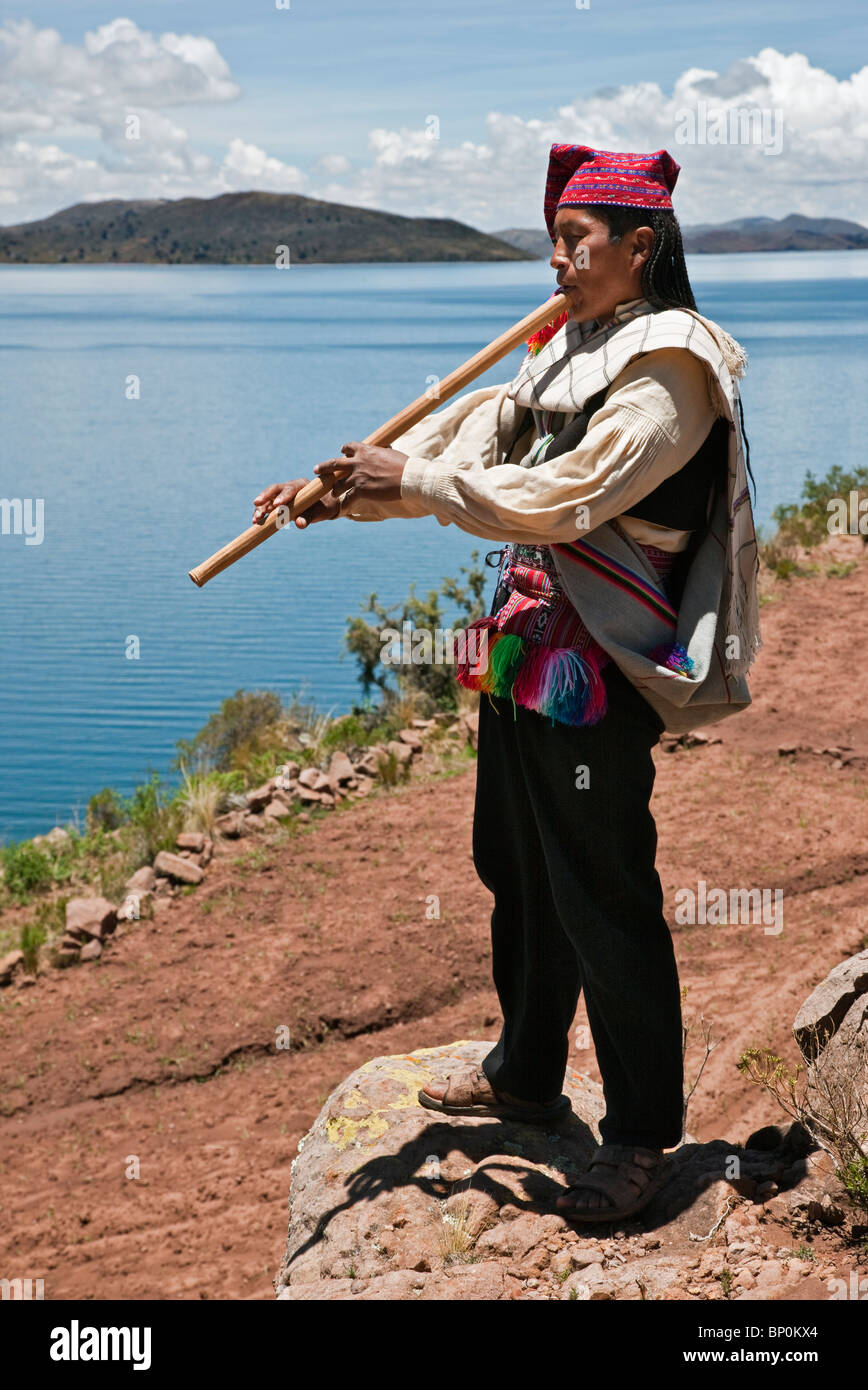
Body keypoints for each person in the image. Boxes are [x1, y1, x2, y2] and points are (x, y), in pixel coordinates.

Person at [252, 143, 760, 1224]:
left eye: (577, 241)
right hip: (524, 644)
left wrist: (417, 479)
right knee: (515, 865)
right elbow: (468, 446)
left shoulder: (673, 363)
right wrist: (332, 493)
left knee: (600, 889)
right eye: (554, 238)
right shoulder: (562, 346)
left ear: (640, 244)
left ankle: (637, 1134)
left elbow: (568, 495)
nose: (557, 257)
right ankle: (525, 1070)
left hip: (600, 662)